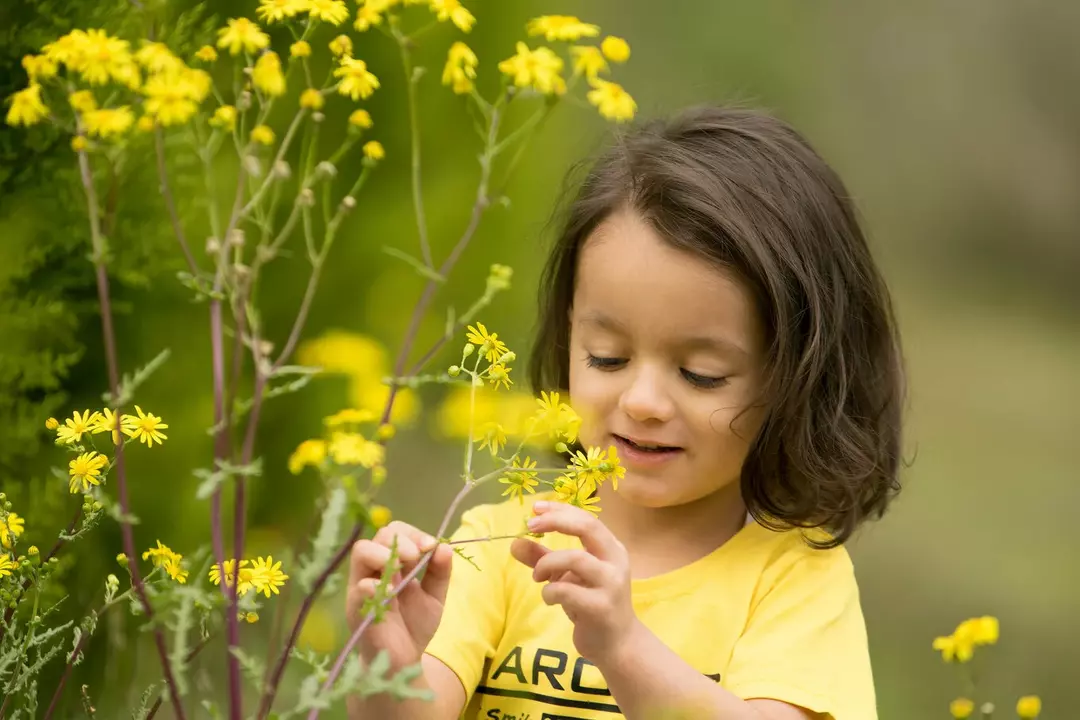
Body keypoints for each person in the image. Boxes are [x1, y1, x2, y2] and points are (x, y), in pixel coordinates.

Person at [346, 105, 905, 720]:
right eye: (607, 357)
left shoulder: (792, 581)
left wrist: (624, 649)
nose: (641, 402)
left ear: (798, 378)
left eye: (700, 374)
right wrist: (389, 667)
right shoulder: (504, 543)